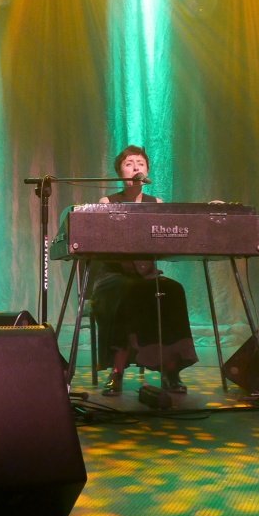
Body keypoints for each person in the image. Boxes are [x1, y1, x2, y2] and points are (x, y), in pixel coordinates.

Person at [91, 145, 198, 396]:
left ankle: (170, 369)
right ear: (120, 172)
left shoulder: (156, 204)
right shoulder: (108, 202)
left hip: (146, 277)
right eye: (129, 164)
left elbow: (166, 241)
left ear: (147, 171)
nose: (135, 167)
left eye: (140, 163)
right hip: (113, 277)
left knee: (173, 290)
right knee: (128, 291)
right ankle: (116, 370)